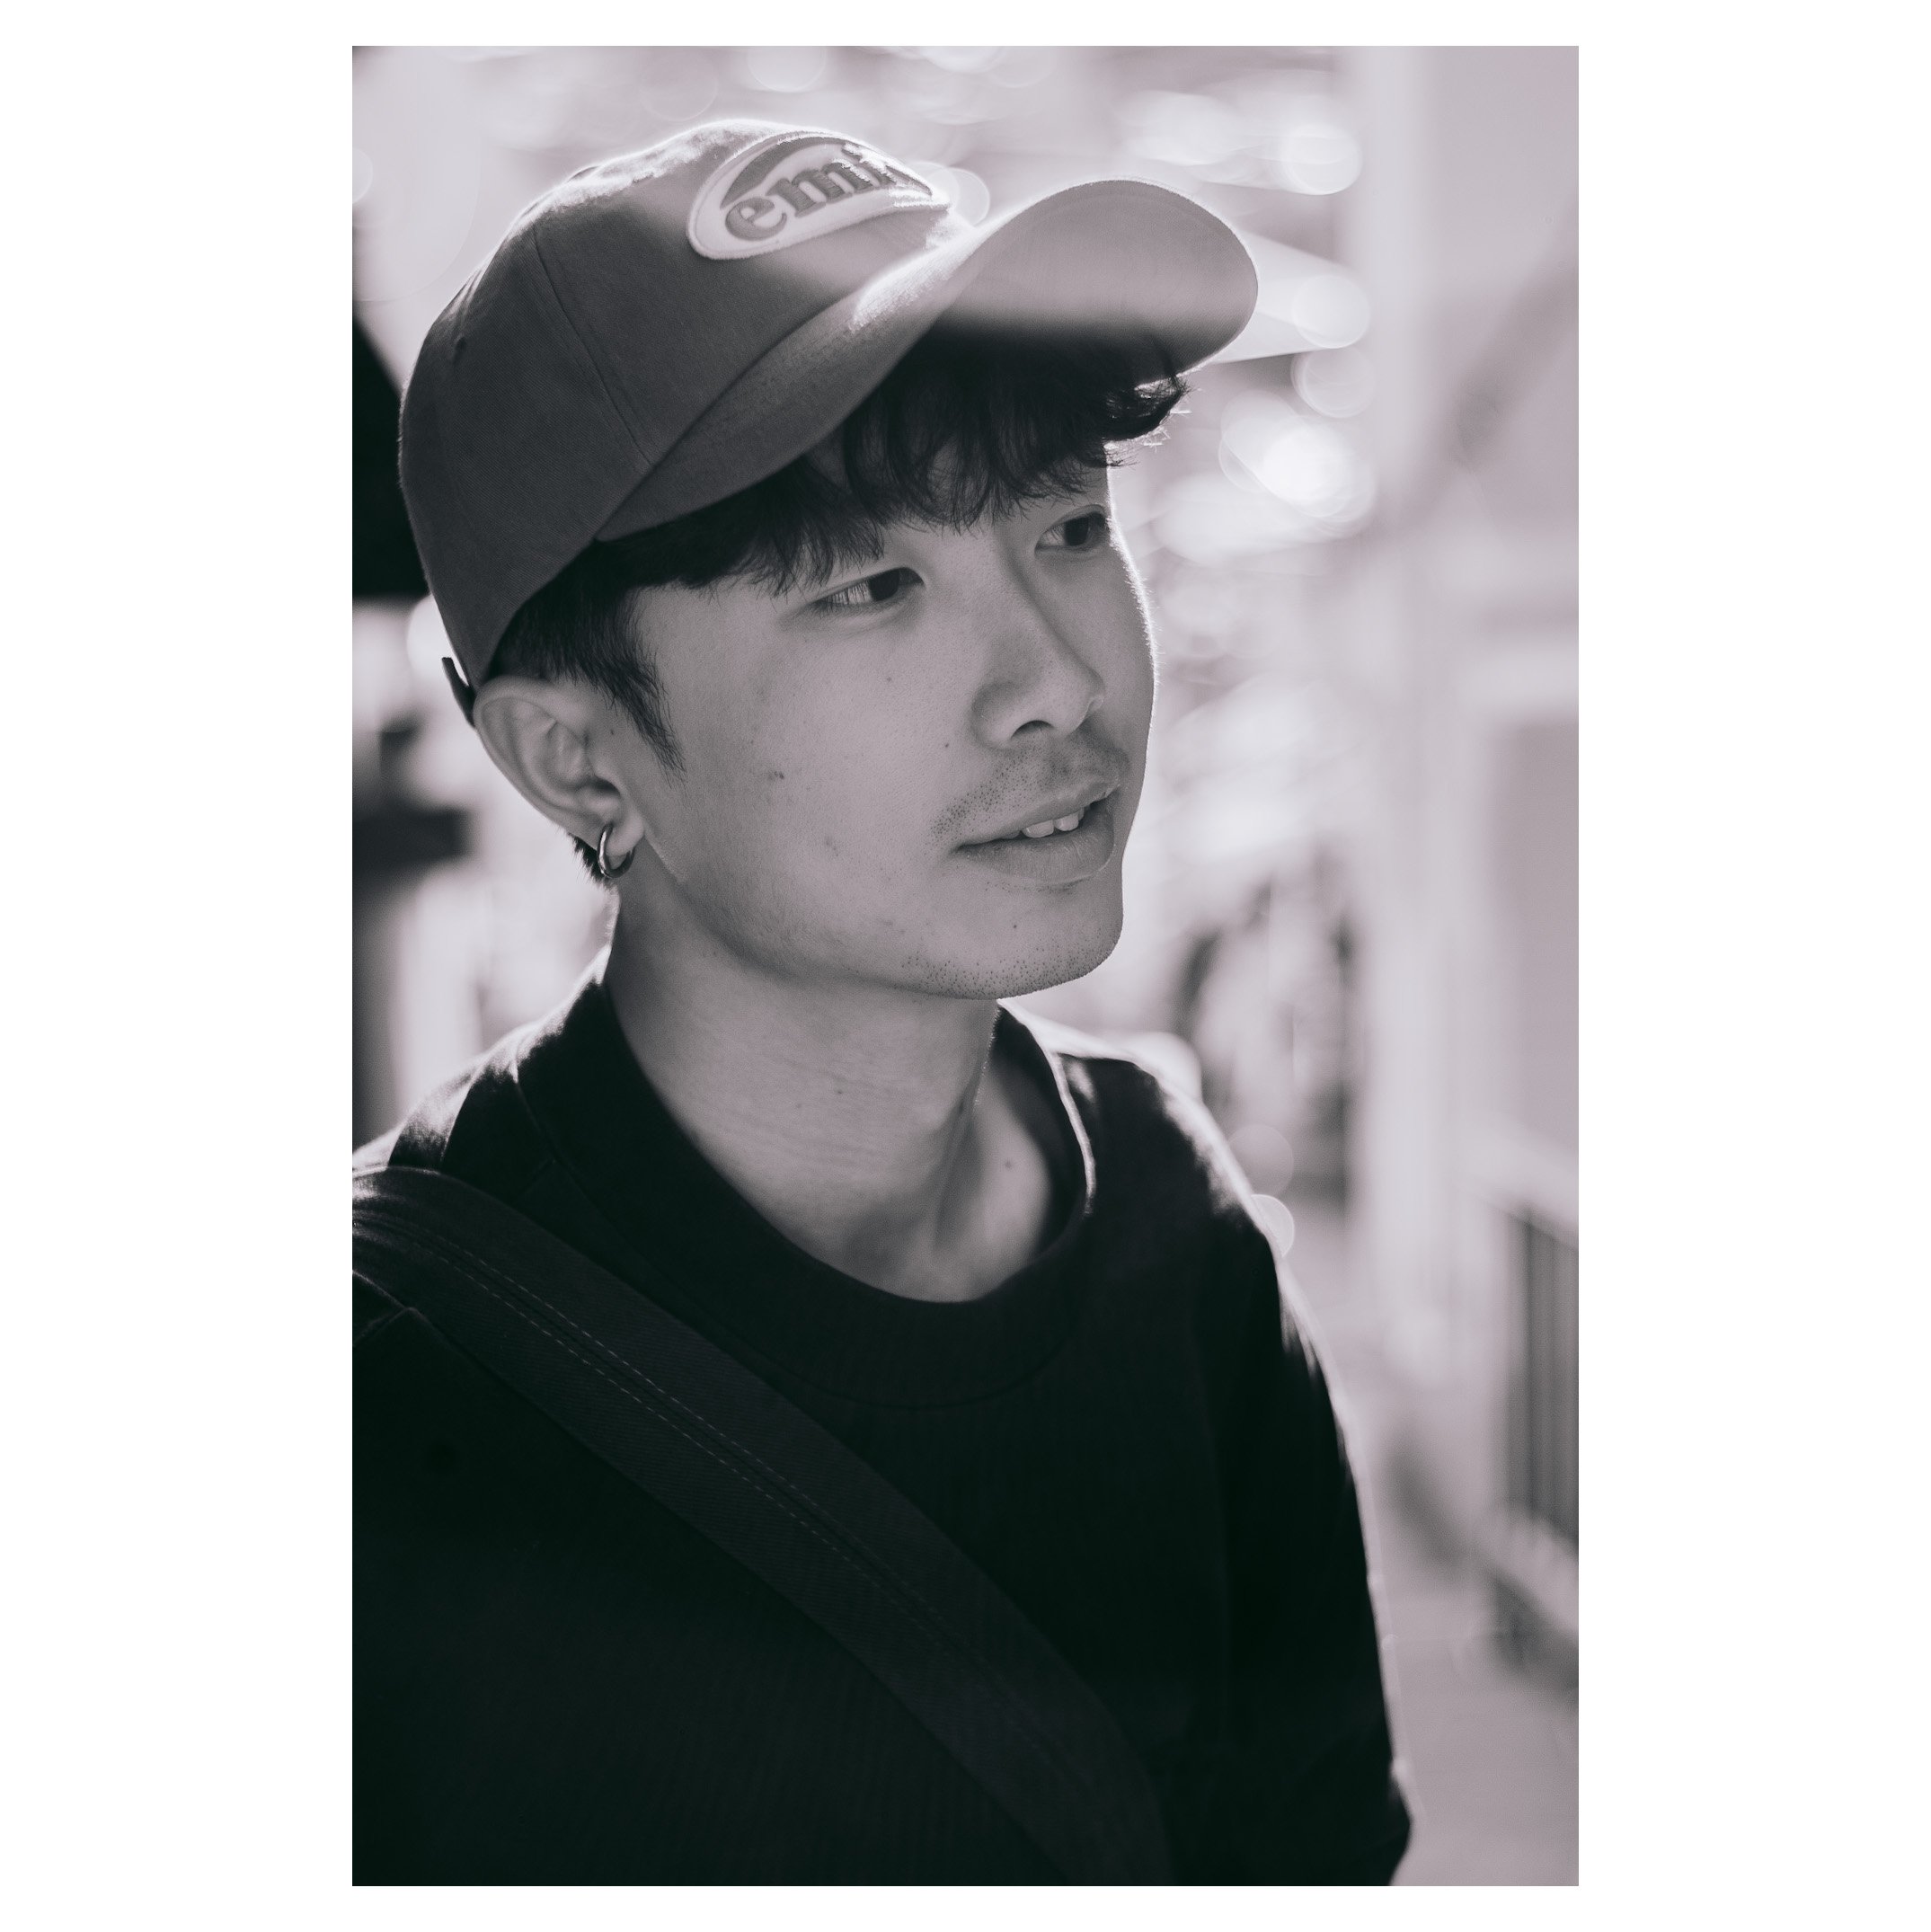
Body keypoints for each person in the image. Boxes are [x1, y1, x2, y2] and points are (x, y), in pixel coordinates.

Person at [354, 119, 1411, 1884]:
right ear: (573, 753)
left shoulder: (1179, 1235)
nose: (1056, 682)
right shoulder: (382, 1404)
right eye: (873, 585)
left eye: (1069, 522)